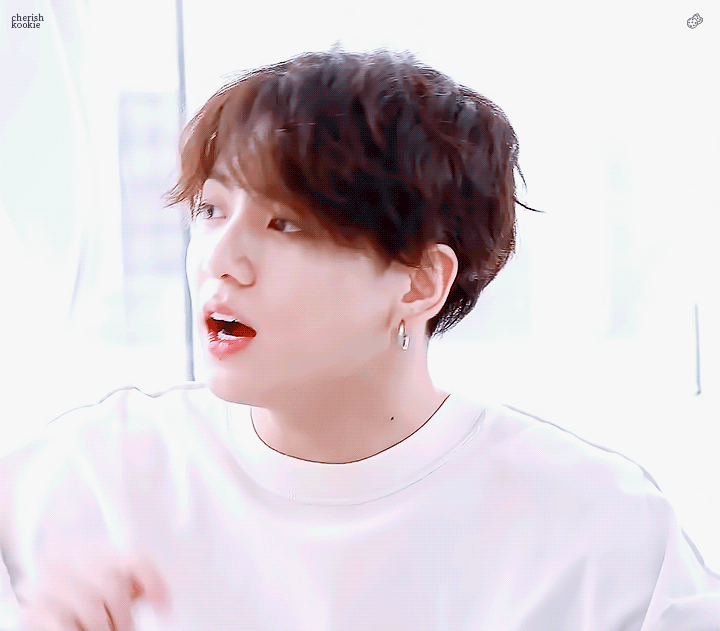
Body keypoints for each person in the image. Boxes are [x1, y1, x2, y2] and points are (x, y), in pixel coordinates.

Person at [1, 46, 719, 631]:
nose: (220, 258)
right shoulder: (84, 480)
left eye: (284, 223)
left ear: (419, 282)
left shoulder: (599, 533)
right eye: (212, 210)